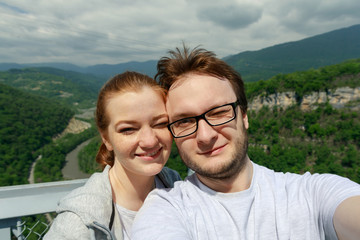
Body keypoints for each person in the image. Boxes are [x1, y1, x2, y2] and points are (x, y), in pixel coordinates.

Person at [131, 46, 360, 240]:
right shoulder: (164, 210)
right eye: (185, 121)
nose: (205, 135)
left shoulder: (313, 195)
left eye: (219, 112)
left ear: (244, 116)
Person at [44, 71, 181, 240]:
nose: (150, 141)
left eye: (160, 123)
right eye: (128, 129)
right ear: (106, 138)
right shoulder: (79, 225)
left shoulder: (175, 184)